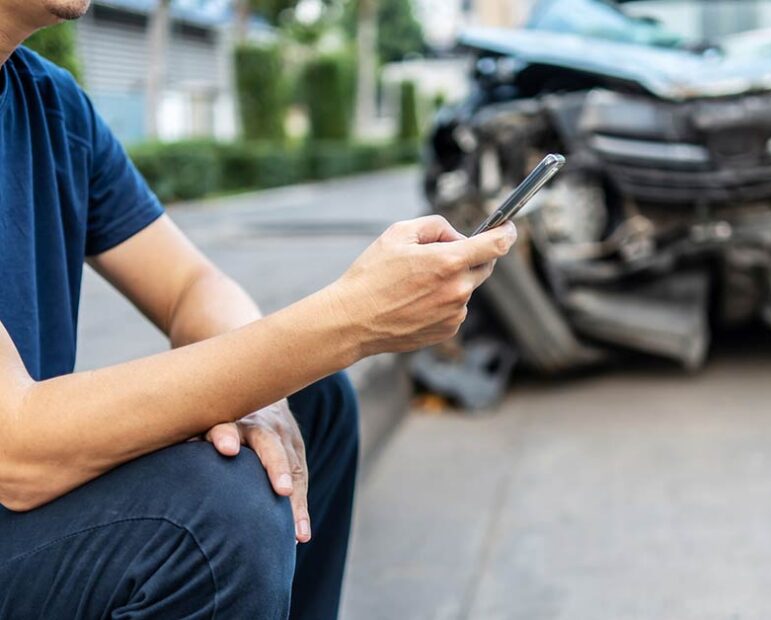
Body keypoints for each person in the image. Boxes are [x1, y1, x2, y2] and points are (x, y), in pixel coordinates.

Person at [0, 1, 518, 618]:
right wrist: (351, 321)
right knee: (216, 520)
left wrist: (262, 394)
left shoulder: (50, 104)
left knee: (308, 404)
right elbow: (18, 448)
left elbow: (189, 285)